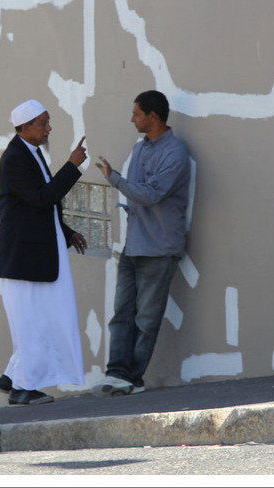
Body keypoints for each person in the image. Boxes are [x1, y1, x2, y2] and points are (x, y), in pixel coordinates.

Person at [92, 90, 191, 397]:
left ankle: (133, 378)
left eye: (136, 113)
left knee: (146, 318)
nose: (131, 119)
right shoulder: (140, 148)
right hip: (134, 246)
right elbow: (137, 192)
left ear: (153, 116)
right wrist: (121, 181)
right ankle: (117, 373)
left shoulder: (174, 154)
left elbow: (150, 194)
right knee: (121, 313)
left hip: (159, 249)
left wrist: (115, 179)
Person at [0, 99, 89, 405]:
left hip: (38, 255)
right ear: (25, 127)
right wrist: (72, 165)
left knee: (42, 320)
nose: (49, 128)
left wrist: (68, 232)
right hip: (23, 258)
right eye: (43, 123)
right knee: (33, 323)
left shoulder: (30, 154)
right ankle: (23, 387)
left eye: (47, 122)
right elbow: (41, 199)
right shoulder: (15, 158)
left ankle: (13, 377)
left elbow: (42, 210)